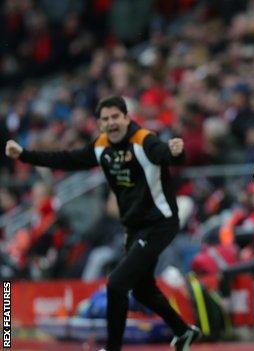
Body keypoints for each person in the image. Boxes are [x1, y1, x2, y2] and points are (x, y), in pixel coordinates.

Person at [5, 96, 200, 351]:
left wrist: (177, 151)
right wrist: (24, 155)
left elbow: (166, 154)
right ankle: (184, 331)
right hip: (134, 227)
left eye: (115, 117)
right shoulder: (100, 146)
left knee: (117, 283)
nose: (111, 123)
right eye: (105, 119)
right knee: (142, 289)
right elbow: (65, 159)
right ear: (99, 124)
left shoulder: (143, 140)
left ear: (126, 118)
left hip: (159, 223)